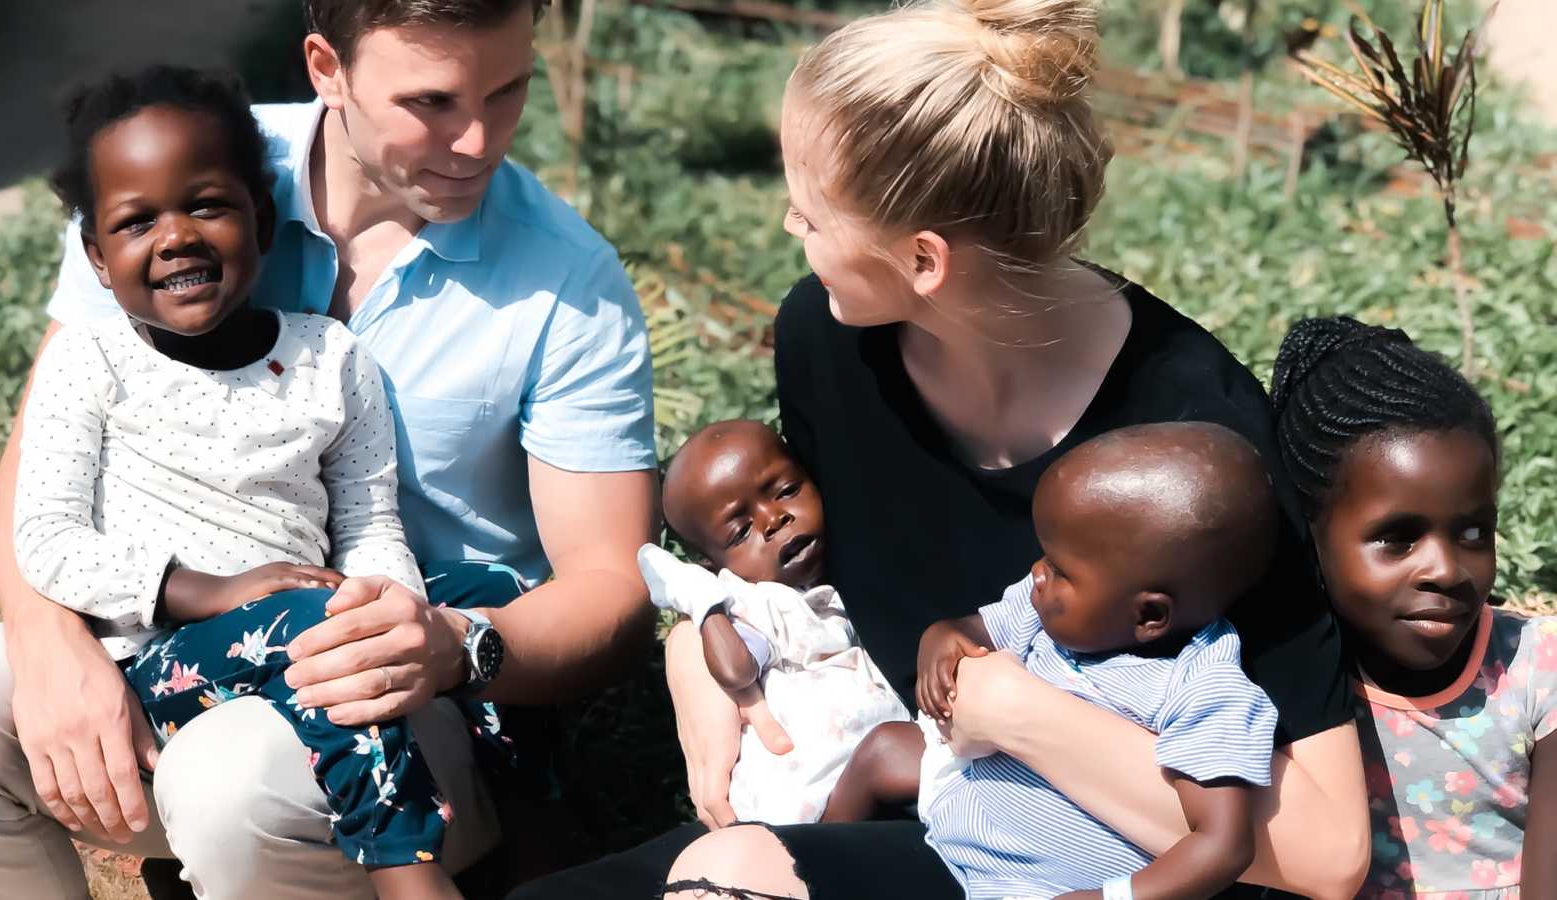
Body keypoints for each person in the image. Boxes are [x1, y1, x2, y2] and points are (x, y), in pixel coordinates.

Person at [511, 0, 1370, 897]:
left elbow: (1327, 852)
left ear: (923, 260)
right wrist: (701, 642)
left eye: (810, 211)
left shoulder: (1195, 446)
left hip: (1097, 877)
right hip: (909, 807)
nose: (787, 227)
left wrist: (1020, 715)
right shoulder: (828, 340)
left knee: (727, 874)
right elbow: (815, 568)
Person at [0, 1, 658, 897]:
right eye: (432, 101)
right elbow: (40, 475)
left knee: (230, 782)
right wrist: (50, 642)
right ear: (327, 68)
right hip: (170, 633)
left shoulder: (569, 282)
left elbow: (612, 587)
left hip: (424, 692)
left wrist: (444, 642)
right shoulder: (174, 166)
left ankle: (424, 860)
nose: (479, 140)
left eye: (509, 89)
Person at [9, 65, 529, 900]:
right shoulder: (89, 360)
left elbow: (367, 520)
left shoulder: (330, 356)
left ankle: (523, 811)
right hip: (161, 660)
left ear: (263, 219)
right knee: (317, 631)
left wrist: (385, 609)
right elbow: (48, 538)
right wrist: (204, 591)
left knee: (477, 592)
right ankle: (407, 870)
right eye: (136, 222)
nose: (175, 236)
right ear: (98, 259)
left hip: (308, 621)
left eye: (207, 204)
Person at [908, 422, 1279, 899]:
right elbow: (968, 631)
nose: (1037, 573)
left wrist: (1113, 897)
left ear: (1149, 614)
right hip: (953, 824)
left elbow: (1223, 845)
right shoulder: (1041, 610)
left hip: (1039, 886)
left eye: (1060, 570)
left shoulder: (1204, 689)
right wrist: (939, 639)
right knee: (882, 751)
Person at [1268, 316, 1555, 898]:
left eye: (1474, 533)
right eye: (1398, 539)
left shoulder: (1537, 670)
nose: (1446, 570)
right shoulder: (1277, 682)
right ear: (1307, 534)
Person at [640, 419, 908, 826]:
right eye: (741, 531)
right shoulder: (753, 604)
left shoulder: (847, 574)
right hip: (813, 798)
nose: (774, 519)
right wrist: (707, 607)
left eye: (786, 491)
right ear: (712, 564)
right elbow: (736, 670)